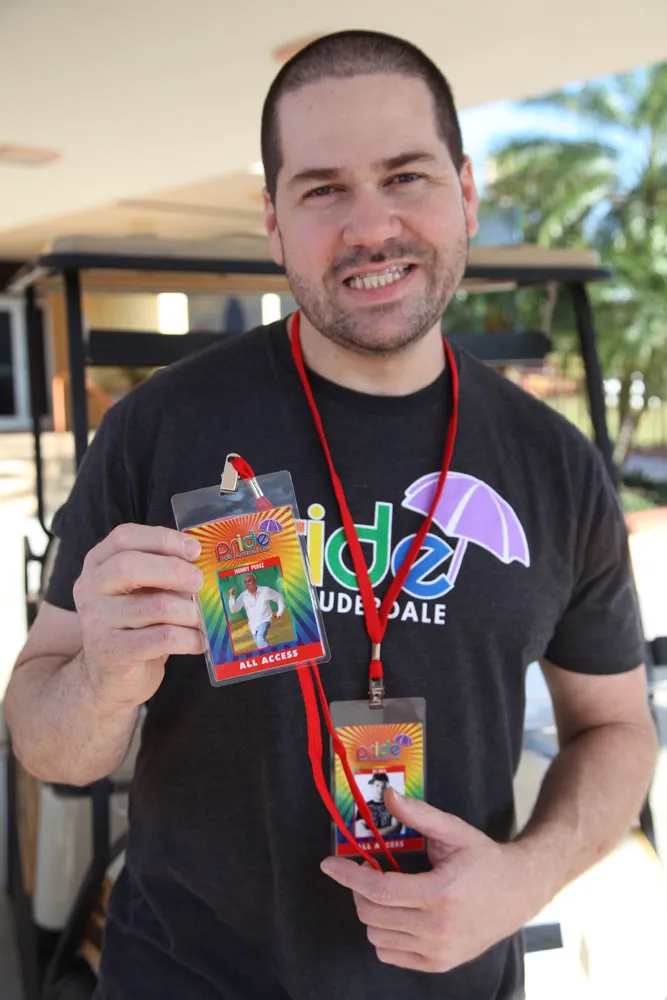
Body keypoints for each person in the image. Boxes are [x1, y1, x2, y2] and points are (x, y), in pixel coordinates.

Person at [5, 29, 657, 1000]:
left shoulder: (555, 465)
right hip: (183, 976)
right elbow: (42, 739)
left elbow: (614, 726)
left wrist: (525, 877)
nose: (369, 226)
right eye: (323, 190)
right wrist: (101, 679)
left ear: (465, 193)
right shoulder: (160, 426)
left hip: (455, 980)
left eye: (405, 176)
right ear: (274, 223)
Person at [228, 573, 285, 649]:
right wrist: (232, 596)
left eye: (249, 581)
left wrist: (279, 612)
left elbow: (279, 597)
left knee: (260, 638)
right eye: (245, 582)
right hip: (253, 625)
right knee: (259, 643)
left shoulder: (265, 590)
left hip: (265, 619)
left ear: (255, 581)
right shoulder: (243, 596)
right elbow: (233, 610)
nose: (247, 583)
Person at [356, 772, 404, 839]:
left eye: (383, 786)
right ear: (371, 786)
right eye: (377, 785)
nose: (380, 790)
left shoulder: (394, 805)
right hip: (370, 844)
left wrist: (371, 833)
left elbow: (396, 828)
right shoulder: (363, 807)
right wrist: (387, 831)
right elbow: (361, 833)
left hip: (391, 843)